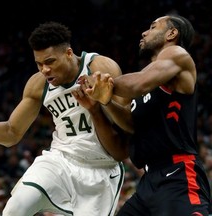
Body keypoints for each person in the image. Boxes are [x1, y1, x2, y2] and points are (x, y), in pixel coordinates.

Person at [0, 21, 128, 216]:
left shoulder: (101, 67)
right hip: (60, 160)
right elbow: (10, 133)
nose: (44, 70)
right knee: (14, 209)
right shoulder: (38, 84)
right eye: (39, 64)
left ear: (68, 53)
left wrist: (104, 101)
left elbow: (127, 125)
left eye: (50, 62)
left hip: (101, 168)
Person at [80, 14, 212, 215]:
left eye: (152, 27)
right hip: (149, 181)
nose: (144, 32)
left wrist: (100, 84)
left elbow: (138, 83)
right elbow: (132, 124)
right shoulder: (149, 81)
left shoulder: (178, 55)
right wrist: (104, 100)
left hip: (178, 175)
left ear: (172, 33)